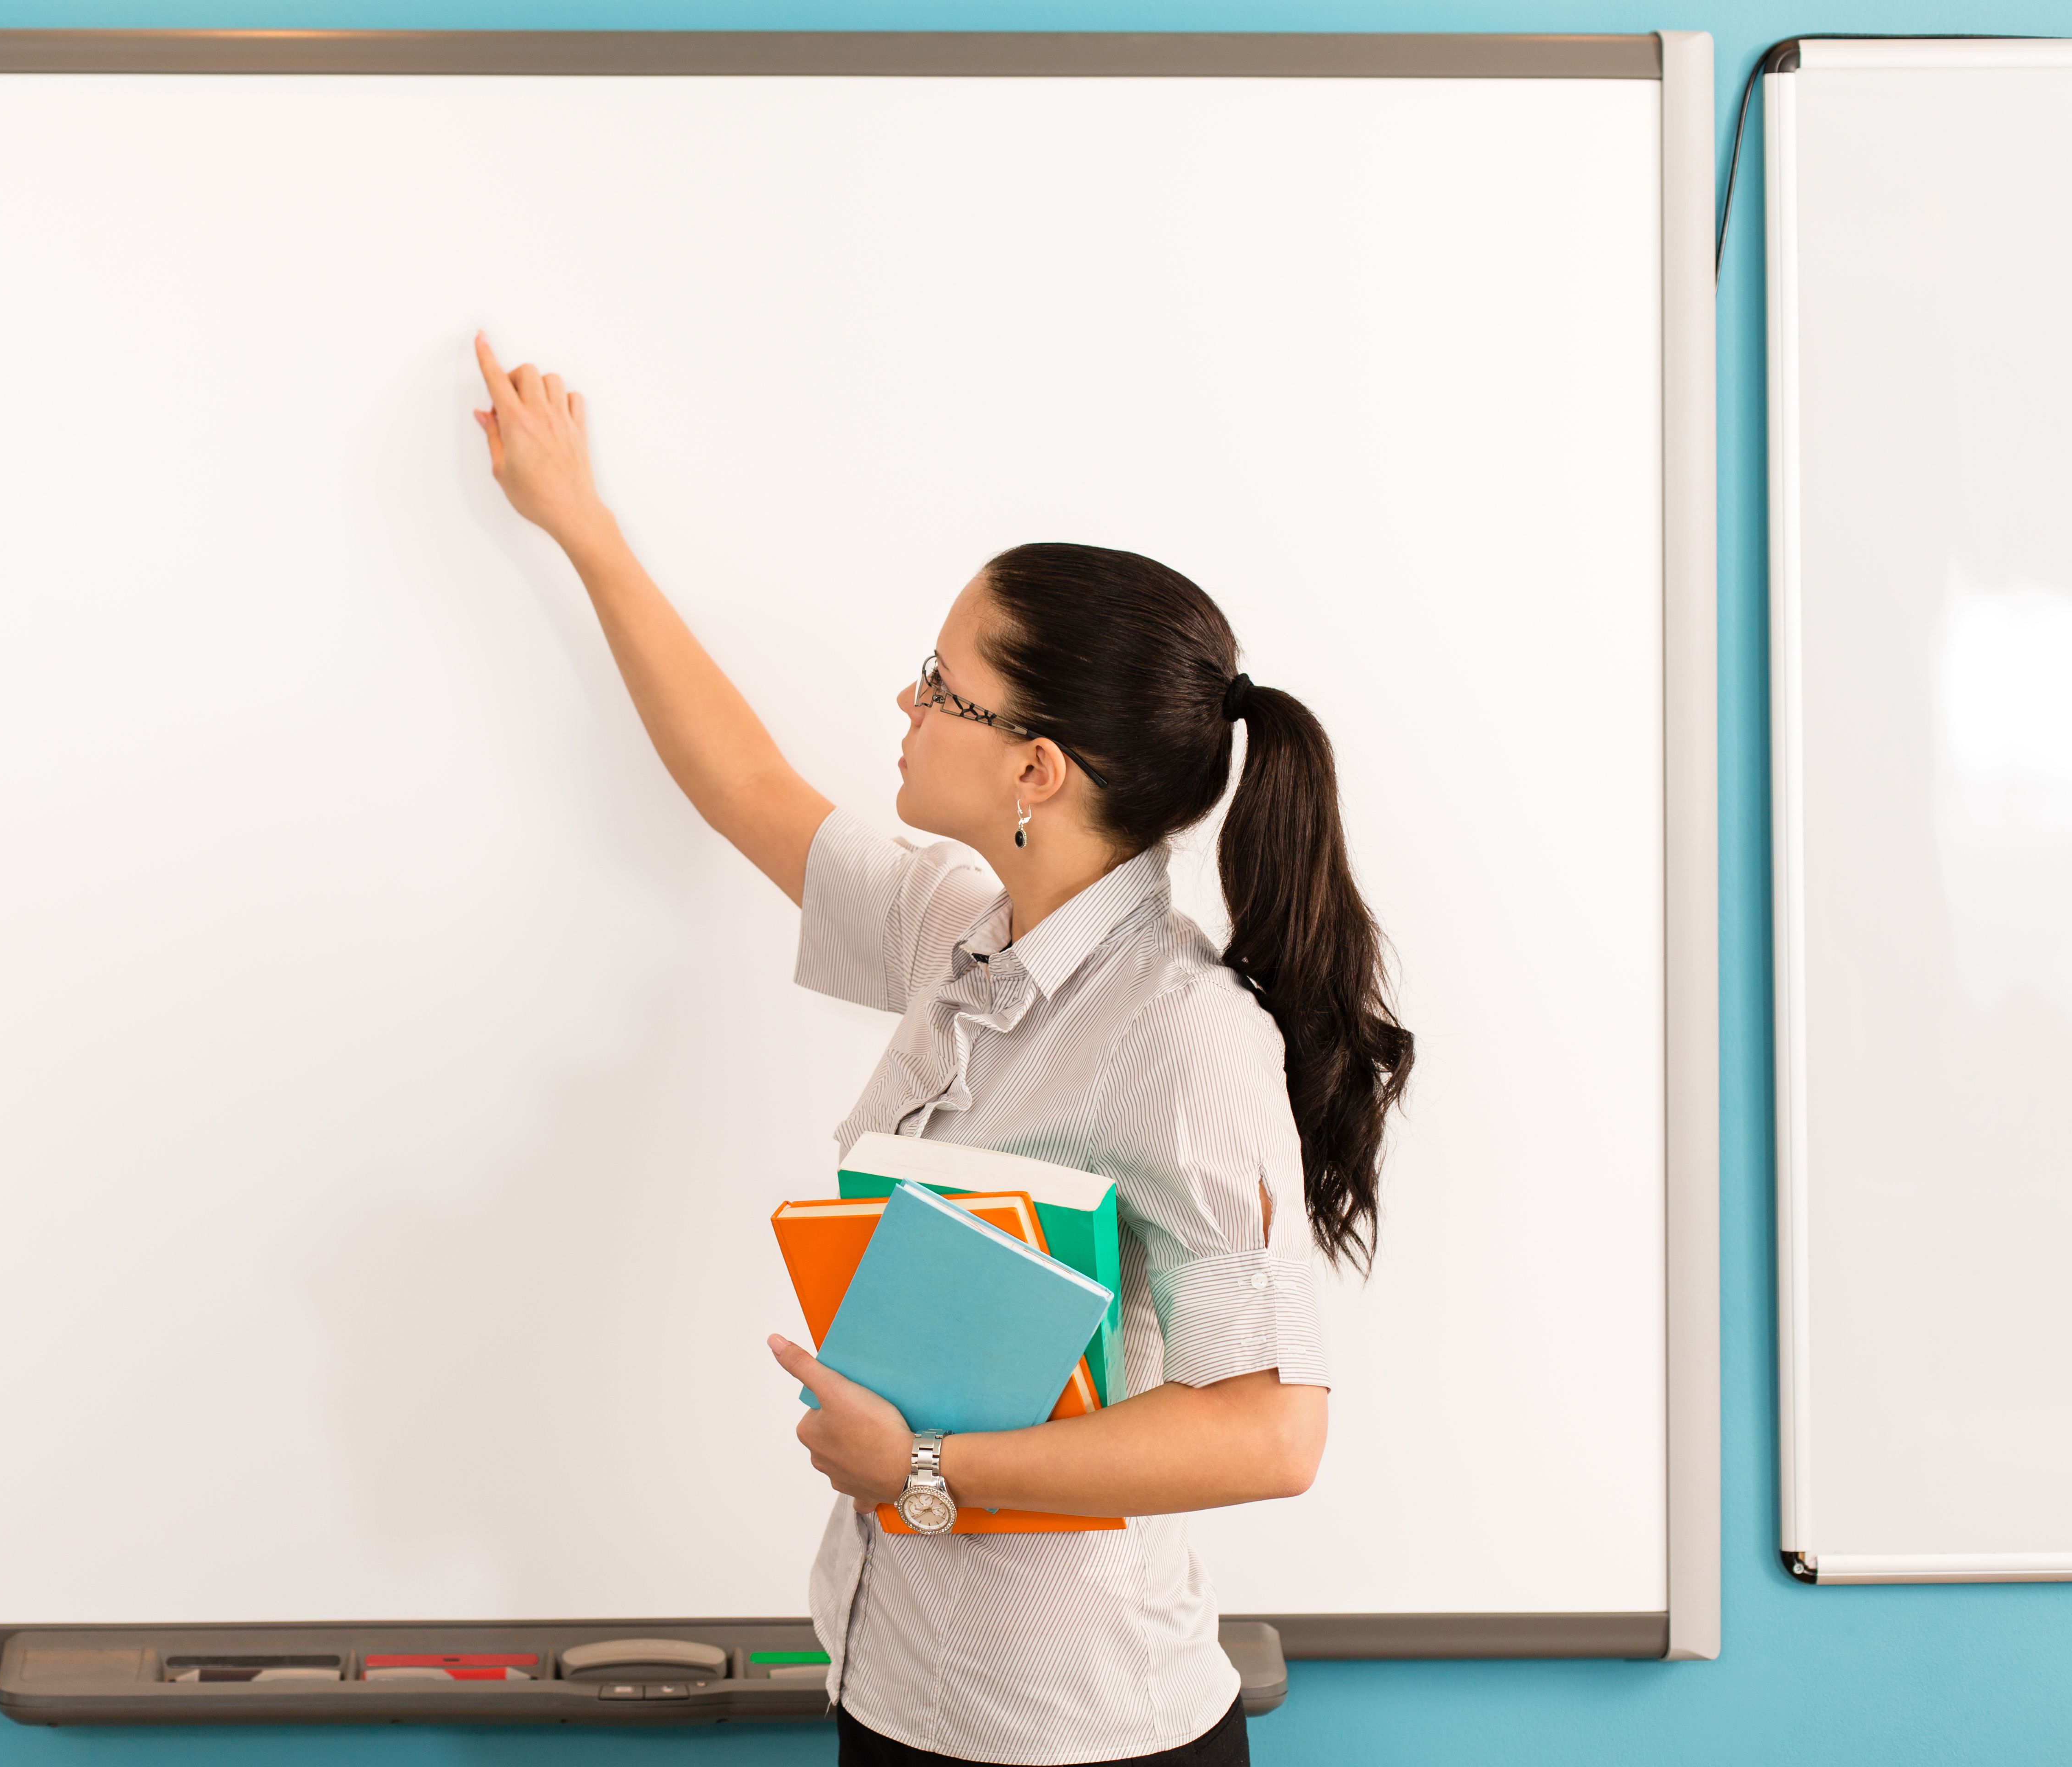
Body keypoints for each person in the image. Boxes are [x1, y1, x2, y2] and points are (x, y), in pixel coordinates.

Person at [469, 335, 1412, 1767]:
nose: (905, 706)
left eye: (940, 683)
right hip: (900, 1694)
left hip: (1080, 1740)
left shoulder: (1182, 1038)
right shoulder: (951, 931)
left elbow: (1273, 1435)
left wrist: (922, 1471)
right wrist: (581, 527)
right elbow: (745, 786)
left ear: (1038, 770)